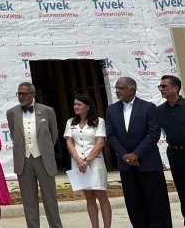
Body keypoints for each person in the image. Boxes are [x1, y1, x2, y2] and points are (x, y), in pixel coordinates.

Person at [106, 76, 172, 228]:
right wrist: (125, 155)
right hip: (127, 166)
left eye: (121, 88)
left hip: (148, 164)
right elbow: (111, 135)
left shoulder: (148, 107)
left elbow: (153, 133)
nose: (117, 91)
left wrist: (136, 154)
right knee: (135, 205)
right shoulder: (112, 109)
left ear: (132, 89)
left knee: (157, 204)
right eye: (116, 88)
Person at [6, 82, 63, 228]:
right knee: (29, 200)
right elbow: (15, 134)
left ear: (33, 94)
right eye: (19, 93)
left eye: (24, 93)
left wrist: (44, 149)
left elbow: (53, 135)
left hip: (43, 159)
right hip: (24, 161)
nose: (21, 96)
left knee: (50, 199)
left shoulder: (47, 111)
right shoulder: (12, 112)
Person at [64, 94, 111, 228]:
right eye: (74, 104)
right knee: (89, 197)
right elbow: (69, 141)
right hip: (78, 163)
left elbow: (100, 142)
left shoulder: (98, 121)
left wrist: (86, 160)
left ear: (88, 107)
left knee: (101, 195)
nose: (76, 107)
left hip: (95, 162)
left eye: (79, 104)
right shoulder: (70, 122)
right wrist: (77, 158)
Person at [159, 75, 185, 226]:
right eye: (160, 87)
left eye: (164, 86)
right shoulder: (159, 111)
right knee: (182, 189)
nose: (161, 89)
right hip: (174, 153)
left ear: (175, 88)